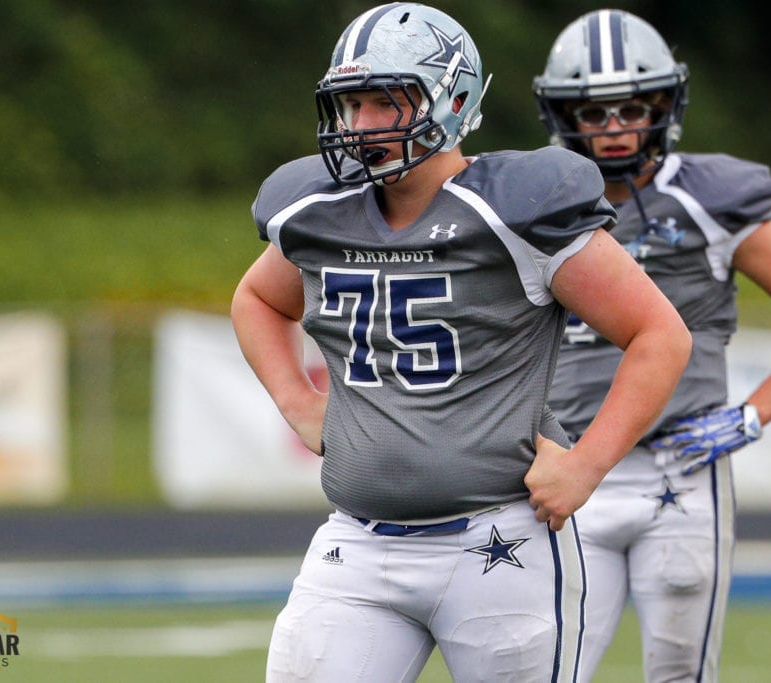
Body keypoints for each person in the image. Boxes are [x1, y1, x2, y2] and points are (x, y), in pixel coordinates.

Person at [231, 4, 691, 681]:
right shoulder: (319, 210)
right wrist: (297, 401)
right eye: (351, 104)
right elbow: (258, 298)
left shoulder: (515, 207)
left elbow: (660, 333)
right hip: (357, 541)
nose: (362, 126)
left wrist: (588, 464)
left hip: (498, 541)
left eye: (385, 102)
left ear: (451, 97)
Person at [533, 9, 771, 683]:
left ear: (663, 104)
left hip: (678, 466)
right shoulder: (531, 202)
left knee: (680, 673)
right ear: (564, 116)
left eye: (631, 107)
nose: (615, 127)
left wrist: (751, 414)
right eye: (593, 113)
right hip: (566, 465)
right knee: (545, 670)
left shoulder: (707, 197)